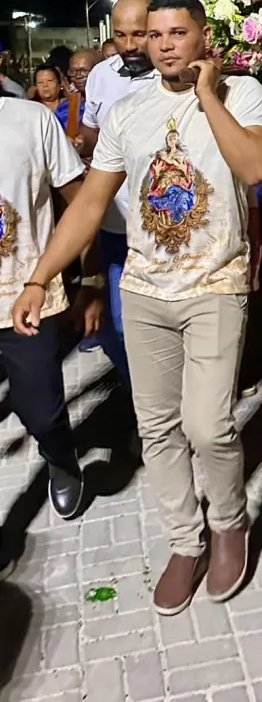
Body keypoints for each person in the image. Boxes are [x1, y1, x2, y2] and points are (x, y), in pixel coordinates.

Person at [12, 0, 262, 613]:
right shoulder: (129, 112)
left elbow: (258, 166)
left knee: (209, 425)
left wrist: (208, 94)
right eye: (155, 35)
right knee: (157, 428)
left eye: (177, 33)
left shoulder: (242, 94)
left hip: (216, 283)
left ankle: (229, 522)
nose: (163, 45)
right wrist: (39, 277)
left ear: (204, 36)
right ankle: (185, 542)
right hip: (146, 288)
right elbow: (90, 205)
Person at [1, 96, 103, 575]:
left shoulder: (31, 120)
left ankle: (61, 456)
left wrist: (93, 279)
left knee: (40, 410)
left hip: (24, 299)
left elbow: (83, 201)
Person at [77, 0, 157, 369]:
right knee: (124, 329)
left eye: (138, 34)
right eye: (121, 35)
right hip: (116, 228)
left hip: (167, 228)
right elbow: (90, 136)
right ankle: (143, 414)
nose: (128, 46)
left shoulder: (179, 72)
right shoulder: (101, 75)